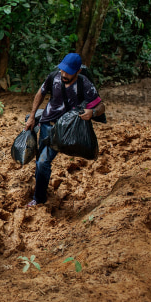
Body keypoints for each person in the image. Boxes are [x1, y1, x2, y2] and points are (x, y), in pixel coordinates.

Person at [23, 53, 105, 207]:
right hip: (48, 124)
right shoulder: (53, 77)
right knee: (41, 162)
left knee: (42, 162)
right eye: (62, 70)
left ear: (78, 71)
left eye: (68, 72)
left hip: (68, 129)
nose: (64, 74)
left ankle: (39, 198)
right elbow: (40, 93)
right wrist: (32, 116)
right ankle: (40, 194)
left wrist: (92, 113)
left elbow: (101, 106)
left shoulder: (85, 84)